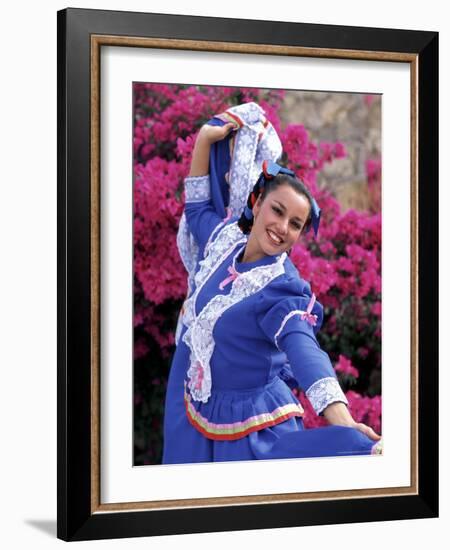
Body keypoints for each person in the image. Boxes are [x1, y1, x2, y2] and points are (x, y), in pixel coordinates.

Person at [162, 114, 382, 464]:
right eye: (277, 211)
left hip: (247, 431)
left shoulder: (283, 290)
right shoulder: (225, 242)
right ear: (256, 203)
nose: (282, 228)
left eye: (295, 224)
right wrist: (204, 139)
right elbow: (198, 206)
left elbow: (306, 352)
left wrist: (343, 420)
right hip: (189, 402)